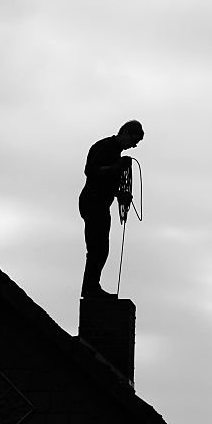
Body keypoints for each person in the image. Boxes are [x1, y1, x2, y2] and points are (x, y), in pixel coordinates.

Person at [79, 120, 144, 298]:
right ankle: (90, 288)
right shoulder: (105, 146)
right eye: (134, 139)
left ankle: (92, 286)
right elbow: (90, 171)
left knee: (101, 248)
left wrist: (120, 194)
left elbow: (105, 183)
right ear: (125, 132)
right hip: (93, 202)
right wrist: (115, 168)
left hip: (100, 202)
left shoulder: (115, 152)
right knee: (97, 248)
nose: (134, 145)